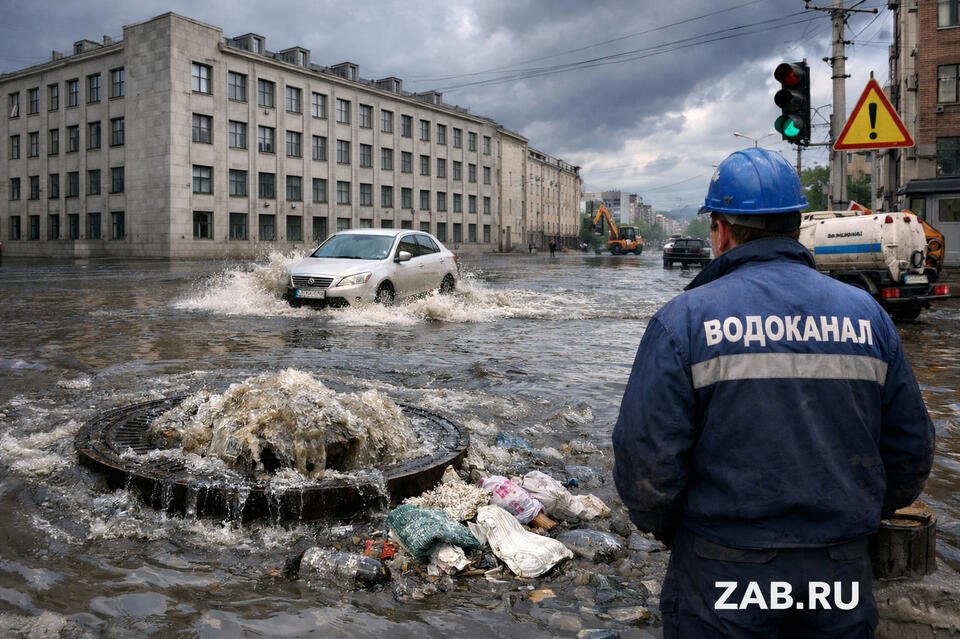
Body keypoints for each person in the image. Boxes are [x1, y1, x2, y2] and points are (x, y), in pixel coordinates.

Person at [612, 147, 934, 638]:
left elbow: (647, 461)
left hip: (723, 567)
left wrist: (674, 528)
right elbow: (911, 448)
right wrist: (858, 515)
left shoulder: (685, 320)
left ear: (720, 230)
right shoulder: (868, 316)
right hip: (838, 569)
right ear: (796, 225)